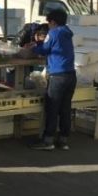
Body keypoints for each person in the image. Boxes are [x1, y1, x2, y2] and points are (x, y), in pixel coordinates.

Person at [27, 9, 77, 150]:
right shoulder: (67, 32)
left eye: (49, 22)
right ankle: (63, 140)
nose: (48, 26)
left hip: (58, 76)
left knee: (52, 108)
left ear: (53, 22)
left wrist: (35, 46)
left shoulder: (54, 32)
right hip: (70, 75)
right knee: (65, 108)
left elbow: (44, 49)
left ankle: (48, 140)